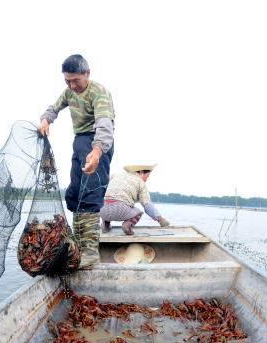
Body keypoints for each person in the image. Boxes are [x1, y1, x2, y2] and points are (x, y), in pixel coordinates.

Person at [38, 54, 115, 268]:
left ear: (87, 74)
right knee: (75, 194)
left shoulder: (98, 93)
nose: (72, 85)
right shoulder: (69, 92)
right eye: (67, 81)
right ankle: (78, 246)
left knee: (90, 194)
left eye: (76, 80)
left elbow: (105, 127)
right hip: (80, 142)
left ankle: (90, 253)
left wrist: (97, 153)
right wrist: (45, 120)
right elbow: (53, 109)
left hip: (98, 143)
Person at [100, 164, 170, 235]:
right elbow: (147, 205)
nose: (147, 179)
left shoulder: (116, 175)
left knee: (108, 202)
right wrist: (160, 219)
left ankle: (105, 224)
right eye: (147, 176)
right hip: (120, 209)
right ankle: (127, 225)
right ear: (141, 172)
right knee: (138, 212)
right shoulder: (140, 182)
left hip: (102, 210)